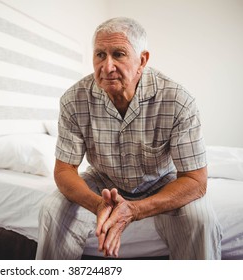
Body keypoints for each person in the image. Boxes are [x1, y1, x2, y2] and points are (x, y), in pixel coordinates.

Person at [35, 17, 222, 260]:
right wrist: (99, 205)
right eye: (100, 54)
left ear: (142, 60)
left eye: (119, 54)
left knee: (201, 219)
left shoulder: (178, 99)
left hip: (161, 181)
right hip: (102, 179)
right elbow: (64, 170)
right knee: (51, 209)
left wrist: (133, 210)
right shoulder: (73, 100)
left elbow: (196, 180)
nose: (107, 66)